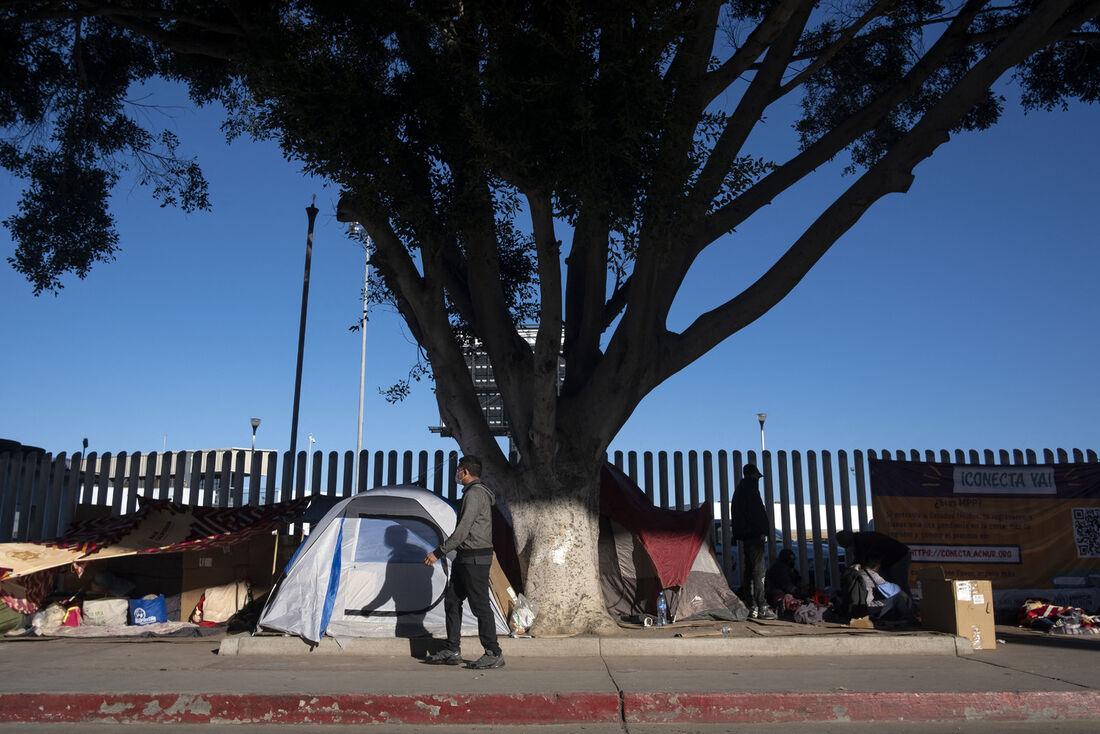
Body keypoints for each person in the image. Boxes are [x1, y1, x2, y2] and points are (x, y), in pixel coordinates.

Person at [423, 455, 504, 669]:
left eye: (458, 470)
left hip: (475, 558)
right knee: (452, 601)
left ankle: (493, 652)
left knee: (480, 606)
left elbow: (462, 531)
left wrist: (438, 553)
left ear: (465, 472)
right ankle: (452, 649)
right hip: (465, 557)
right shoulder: (473, 493)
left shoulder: (475, 494)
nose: (457, 474)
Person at [731, 464, 776, 620]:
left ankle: (752, 607)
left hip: (747, 535)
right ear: (752, 475)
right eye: (757, 475)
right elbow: (756, 513)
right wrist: (761, 531)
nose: (758, 478)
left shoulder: (741, 490)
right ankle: (762, 606)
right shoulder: (750, 490)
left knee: (750, 571)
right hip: (754, 537)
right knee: (759, 571)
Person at [835, 529, 912, 596]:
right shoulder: (860, 539)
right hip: (892, 558)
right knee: (888, 584)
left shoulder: (861, 542)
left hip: (898, 557)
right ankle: (899, 607)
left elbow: (860, 561)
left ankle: (908, 607)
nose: (849, 549)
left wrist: (850, 573)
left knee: (899, 583)